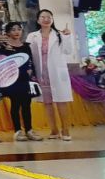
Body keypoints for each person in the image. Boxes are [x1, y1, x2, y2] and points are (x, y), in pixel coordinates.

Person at [27, 9, 74, 141]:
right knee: (47, 102)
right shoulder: (32, 36)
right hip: (42, 73)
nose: (46, 19)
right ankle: (54, 130)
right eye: (43, 17)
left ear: (52, 20)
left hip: (57, 72)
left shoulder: (60, 34)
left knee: (61, 101)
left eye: (49, 17)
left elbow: (68, 51)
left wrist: (67, 37)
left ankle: (65, 130)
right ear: (38, 20)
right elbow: (29, 54)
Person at [0, 22, 42, 141]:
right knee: (15, 104)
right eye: (13, 30)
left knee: (26, 105)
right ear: (7, 32)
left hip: (25, 79)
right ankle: (17, 131)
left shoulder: (26, 46)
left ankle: (29, 130)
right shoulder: (3, 47)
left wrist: (32, 74)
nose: (17, 32)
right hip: (12, 79)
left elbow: (30, 61)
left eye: (19, 29)